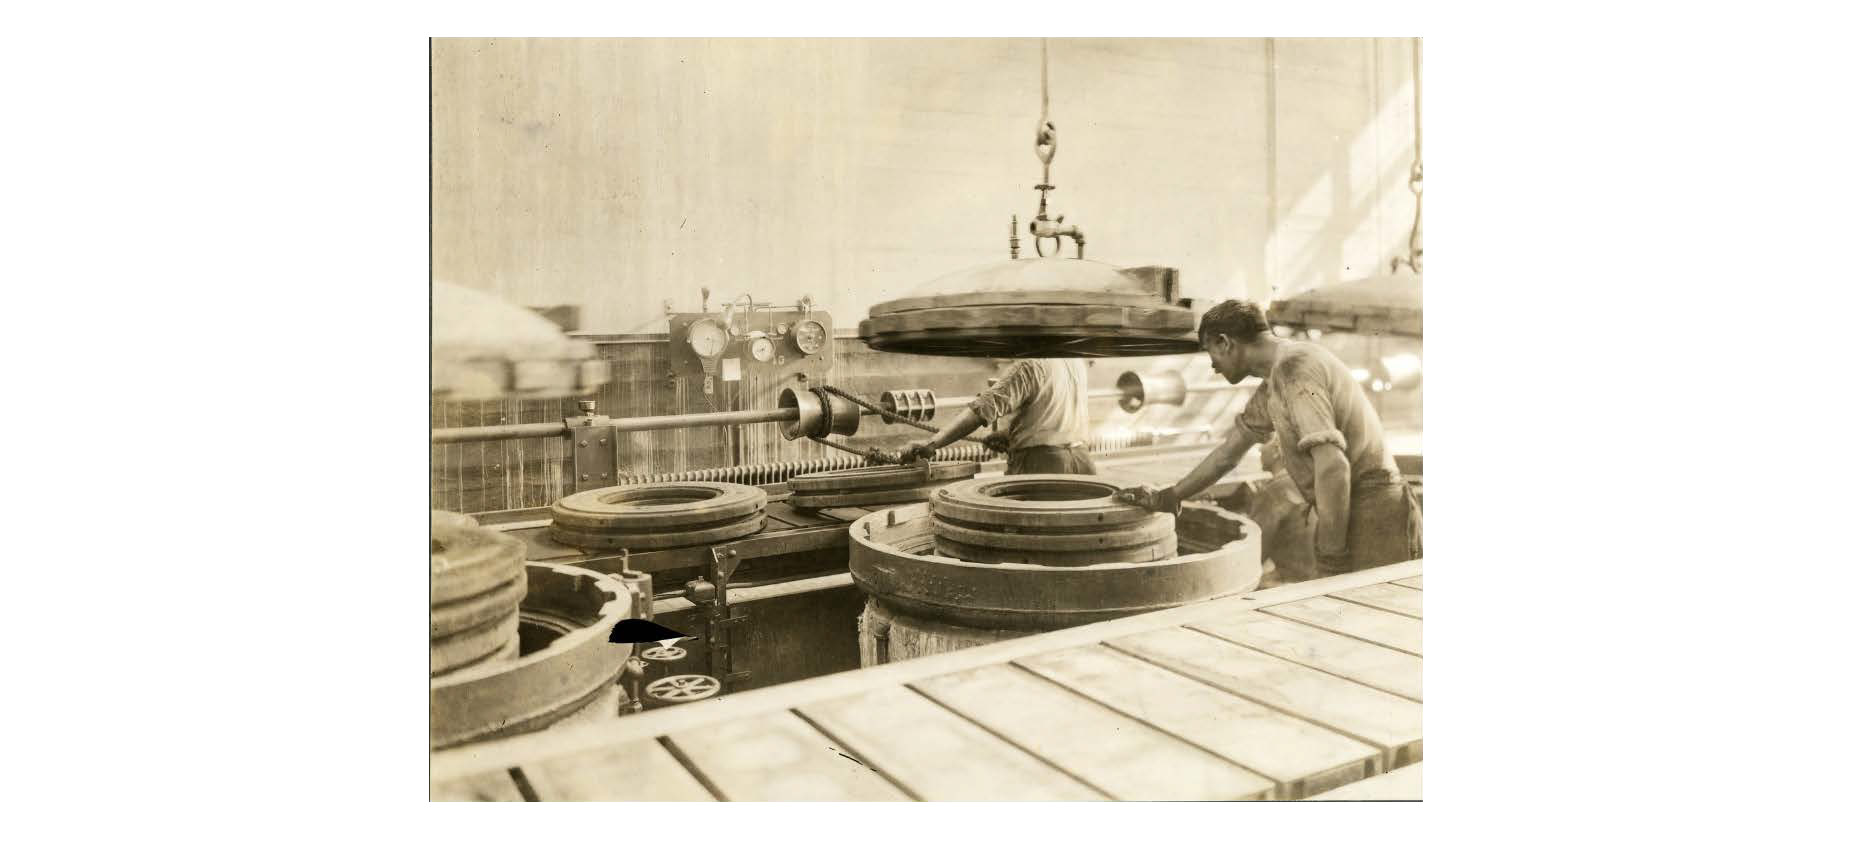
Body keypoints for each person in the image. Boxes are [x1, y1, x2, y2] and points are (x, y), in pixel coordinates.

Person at [1118, 300, 1421, 575]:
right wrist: (1171, 496)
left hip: (1374, 513)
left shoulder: (1295, 369)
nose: (1214, 368)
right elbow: (1227, 454)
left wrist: (1332, 553)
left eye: (1211, 355)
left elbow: (1333, 467)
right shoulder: (1275, 383)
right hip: (1354, 508)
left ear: (1225, 342)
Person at [898, 358, 1096, 475]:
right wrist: (1009, 434)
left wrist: (931, 444)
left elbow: (980, 411)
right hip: (1082, 462)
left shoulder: (1029, 366)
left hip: (1043, 465)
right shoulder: (1074, 362)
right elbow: (1052, 412)